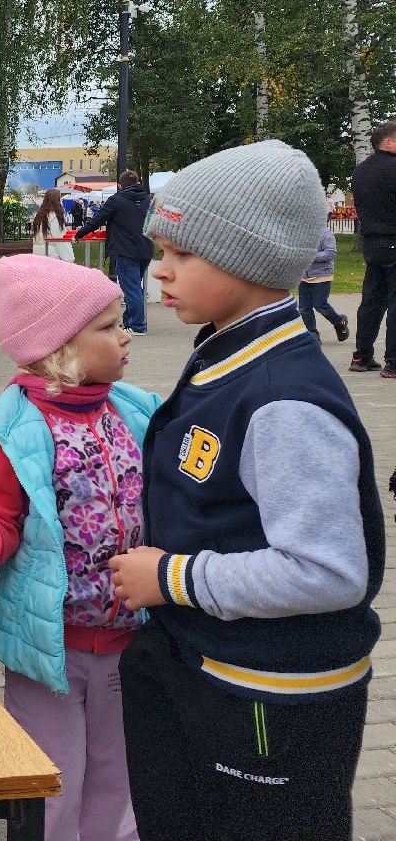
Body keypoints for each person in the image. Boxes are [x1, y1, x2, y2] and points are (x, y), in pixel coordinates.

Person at [107, 140, 383, 841]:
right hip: (219, 669)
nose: (159, 270)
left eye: (182, 254)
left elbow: (327, 571)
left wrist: (171, 577)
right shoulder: (229, 354)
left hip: (267, 699)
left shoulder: (282, 401)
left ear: (250, 261)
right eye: (160, 252)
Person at [0, 255, 160, 840]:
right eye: (108, 326)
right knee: (53, 779)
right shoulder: (17, 430)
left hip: (129, 636)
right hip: (51, 644)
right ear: (60, 349)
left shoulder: (135, 410)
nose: (126, 335)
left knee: (120, 771)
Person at [74, 170, 154, 335]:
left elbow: (97, 220)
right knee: (134, 287)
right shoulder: (148, 199)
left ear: (120, 185)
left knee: (131, 289)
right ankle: (130, 321)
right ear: (138, 182)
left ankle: (137, 326)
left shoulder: (117, 200)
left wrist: (79, 234)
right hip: (146, 248)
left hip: (126, 249)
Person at [350, 119, 396, 377]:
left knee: (372, 300)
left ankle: (362, 356)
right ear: (387, 142)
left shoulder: (361, 170)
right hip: (394, 239)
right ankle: (393, 362)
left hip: (372, 242)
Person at [297, 224, 348, 343]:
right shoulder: (299, 233)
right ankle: (312, 333)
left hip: (322, 276)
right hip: (304, 276)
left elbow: (330, 253)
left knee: (320, 305)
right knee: (304, 308)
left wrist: (310, 256)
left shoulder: (325, 233)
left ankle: (339, 322)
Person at [30, 187, 74, 262]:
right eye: (60, 199)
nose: (61, 201)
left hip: (38, 254)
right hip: (52, 256)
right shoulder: (54, 217)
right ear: (56, 201)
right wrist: (68, 258)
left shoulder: (38, 215)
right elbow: (59, 239)